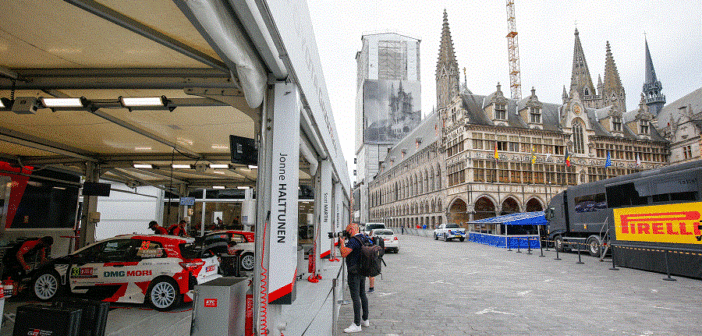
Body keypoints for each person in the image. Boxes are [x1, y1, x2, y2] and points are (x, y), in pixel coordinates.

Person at [339, 223, 369, 333]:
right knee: (362, 294)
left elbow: (343, 253)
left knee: (355, 297)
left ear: (352, 230)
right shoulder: (363, 237)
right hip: (362, 270)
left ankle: (357, 324)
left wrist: (342, 243)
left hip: (354, 272)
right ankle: (365, 319)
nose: (347, 233)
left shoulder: (353, 241)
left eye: (347, 231)